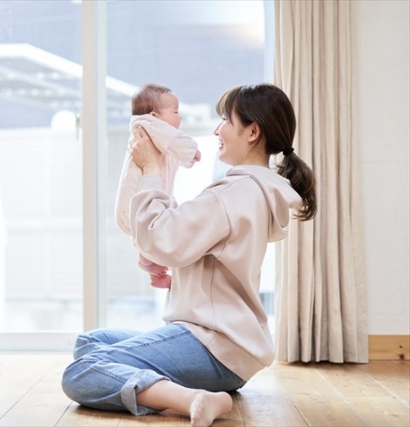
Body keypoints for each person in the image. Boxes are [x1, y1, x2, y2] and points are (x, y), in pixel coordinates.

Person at [61, 83, 317, 426]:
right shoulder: (254, 190)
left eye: (226, 120)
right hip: (229, 349)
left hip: (213, 346)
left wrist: (151, 170)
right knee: (90, 342)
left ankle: (192, 397)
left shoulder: (236, 192)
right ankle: (178, 385)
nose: (217, 129)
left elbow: (161, 238)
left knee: (82, 371)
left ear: (253, 132)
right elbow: (193, 246)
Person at [115, 83, 202, 289]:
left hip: (140, 207)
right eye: (175, 112)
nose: (179, 117)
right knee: (155, 228)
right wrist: (192, 150)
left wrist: (185, 159)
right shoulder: (147, 126)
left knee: (157, 228)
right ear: (155, 116)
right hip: (135, 206)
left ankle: (153, 269)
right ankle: (150, 262)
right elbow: (176, 142)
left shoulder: (155, 136)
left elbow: (172, 153)